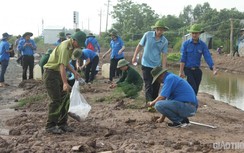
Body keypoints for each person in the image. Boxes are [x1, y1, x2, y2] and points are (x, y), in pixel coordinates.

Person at [43, 31, 86, 134]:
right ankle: (50, 126)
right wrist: (65, 83)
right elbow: (62, 66)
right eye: (79, 43)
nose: (79, 46)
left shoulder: (71, 47)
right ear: (74, 40)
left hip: (57, 74)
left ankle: (62, 124)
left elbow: (66, 63)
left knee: (65, 98)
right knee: (56, 100)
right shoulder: (65, 47)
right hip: (51, 74)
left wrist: (74, 72)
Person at [132, 20, 169, 108]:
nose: (159, 32)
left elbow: (164, 55)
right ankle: (149, 104)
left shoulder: (164, 41)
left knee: (156, 85)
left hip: (157, 66)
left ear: (164, 30)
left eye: (161, 30)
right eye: (158, 29)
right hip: (146, 64)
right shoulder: (147, 35)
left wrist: (163, 69)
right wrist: (134, 56)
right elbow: (140, 46)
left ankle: (154, 103)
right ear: (155, 29)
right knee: (148, 84)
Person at [179, 24, 217, 95]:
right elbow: (183, 59)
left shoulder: (203, 45)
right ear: (191, 33)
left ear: (199, 33)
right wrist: (181, 72)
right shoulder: (186, 44)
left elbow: (207, 56)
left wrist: (213, 68)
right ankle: (190, 102)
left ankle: (192, 103)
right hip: (187, 69)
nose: (194, 35)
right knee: (192, 87)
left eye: (196, 33)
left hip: (197, 70)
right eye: (193, 33)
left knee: (196, 89)